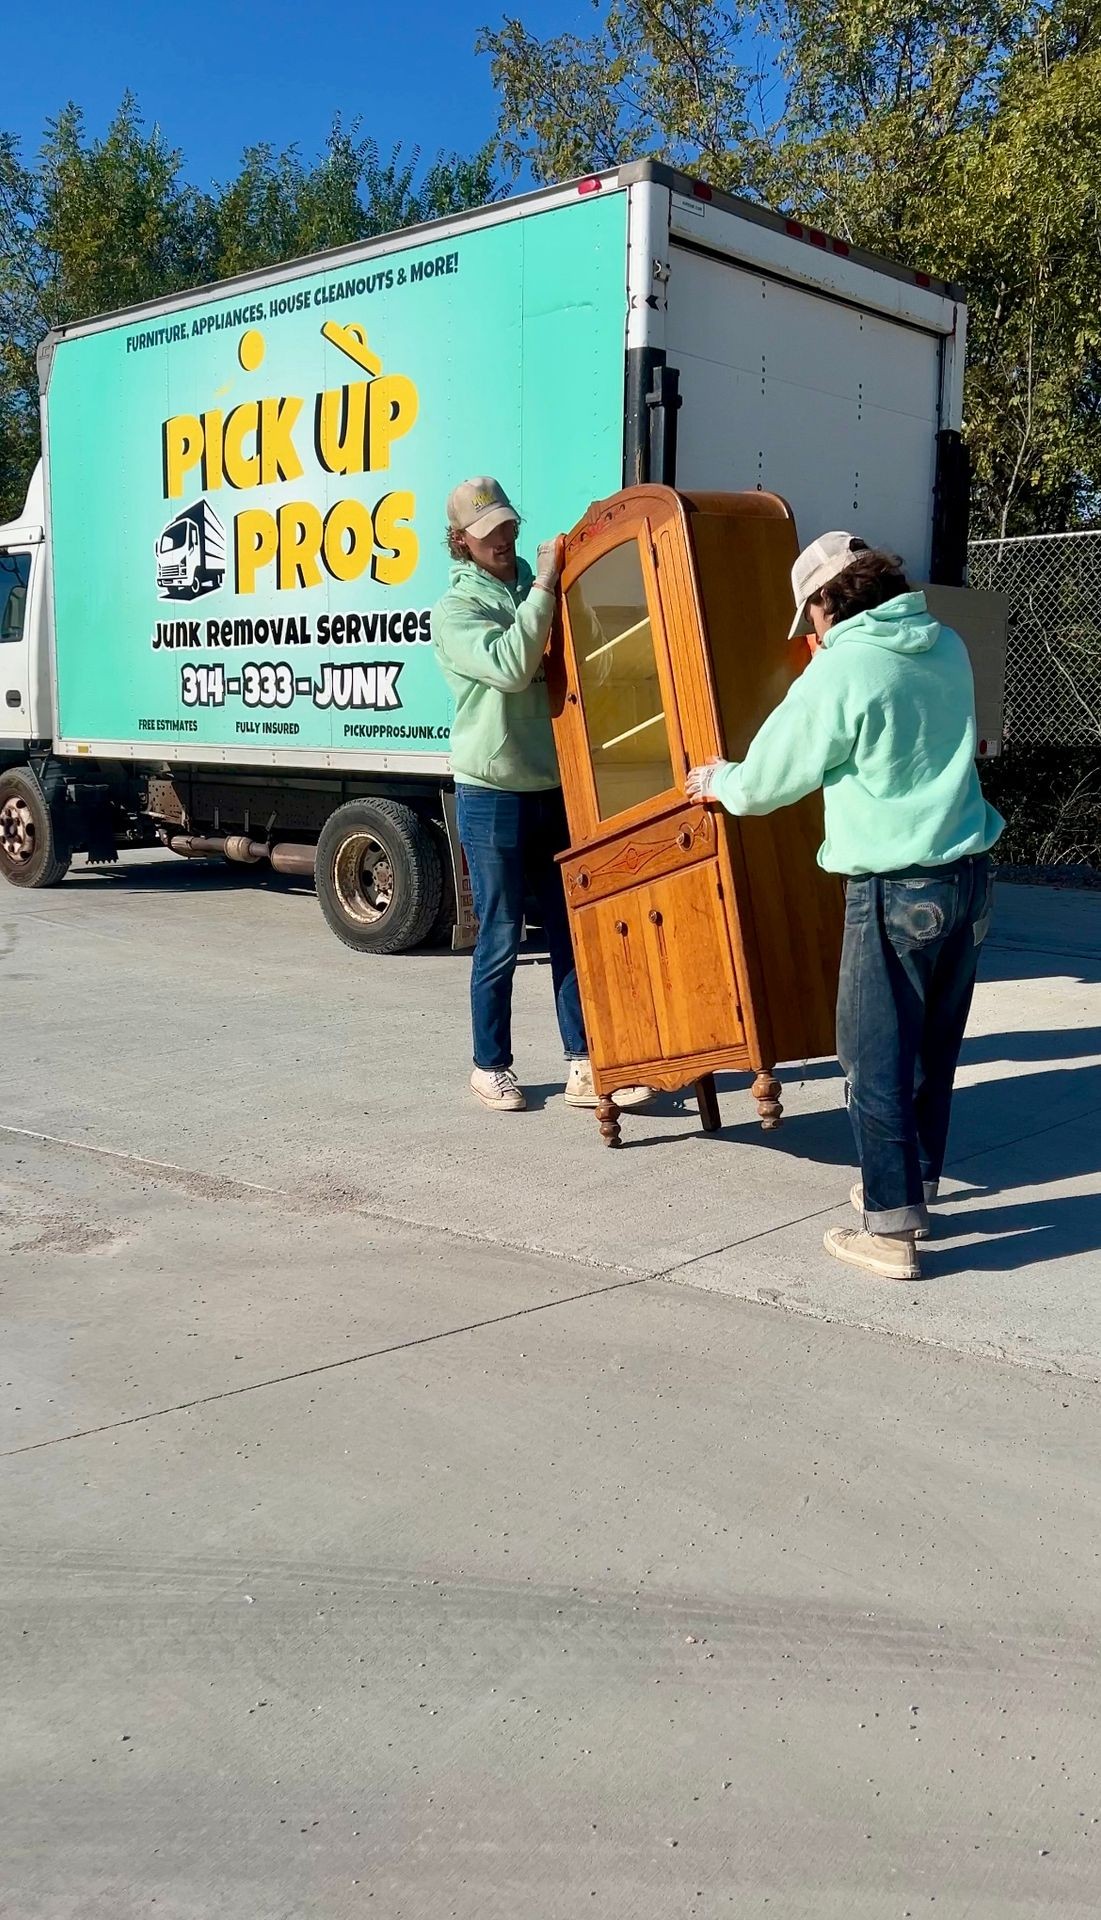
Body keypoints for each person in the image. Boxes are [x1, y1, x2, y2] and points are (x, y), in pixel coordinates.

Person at [687, 532, 1004, 1281]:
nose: (812, 635)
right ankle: (914, 1183)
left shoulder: (843, 668)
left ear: (828, 600)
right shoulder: (945, 644)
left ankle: (890, 1232)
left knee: (873, 1059)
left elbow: (769, 780)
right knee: (931, 1047)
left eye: (812, 619)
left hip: (895, 886)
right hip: (967, 879)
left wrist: (717, 782)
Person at [431, 476, 654, 1116]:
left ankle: (586, 1063)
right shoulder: (457, 611)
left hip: (554, 783)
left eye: (505, 526)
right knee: (500, 931)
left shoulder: (536, 585)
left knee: (571, 928)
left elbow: (582, 659)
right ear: (461, 542)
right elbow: (510, 665)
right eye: (485, 533)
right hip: (492, 789)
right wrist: (545, 590)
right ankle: (489, 1066)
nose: (501, 539)